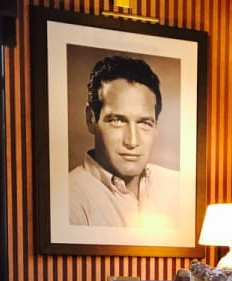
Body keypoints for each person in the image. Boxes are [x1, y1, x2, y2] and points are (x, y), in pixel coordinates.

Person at [69, 55, 180, 228]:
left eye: (144, 123)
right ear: (91, 119)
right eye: (117, 120)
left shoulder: (179, 186)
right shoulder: (70, 199)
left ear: (156, 125)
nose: (132, 141)